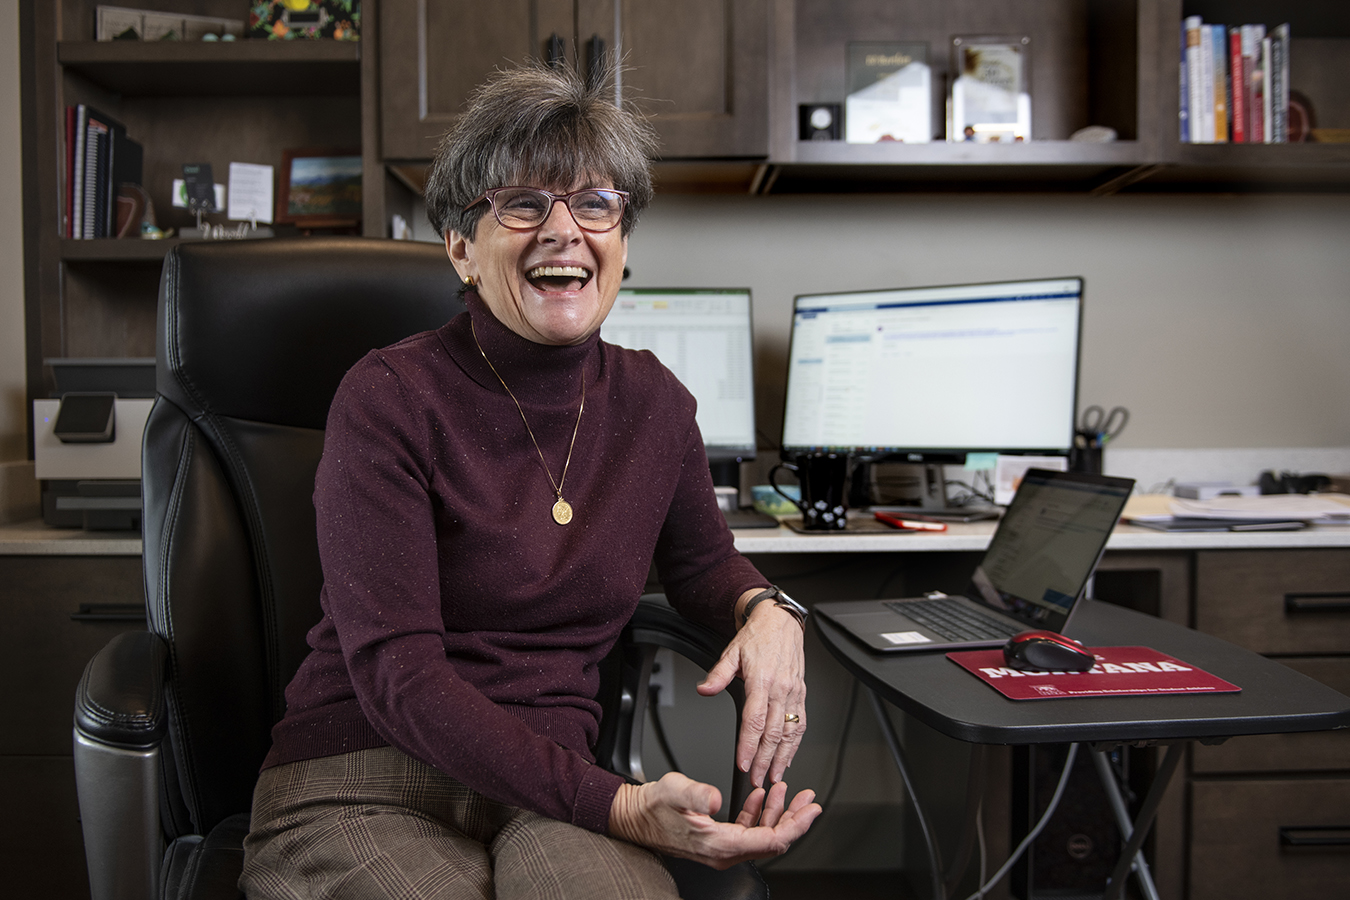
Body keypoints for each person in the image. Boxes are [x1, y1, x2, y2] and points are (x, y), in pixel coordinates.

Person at [240, 62, 820, 900]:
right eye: (522, 203)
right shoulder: (389, 395)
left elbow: (702, 567)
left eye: (595, 203)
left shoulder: (656, 403)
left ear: (621, 243)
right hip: (365, 774)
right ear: (461, 250)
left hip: (550, 787)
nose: (564, 230)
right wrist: (618, 805)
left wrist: (768, 611)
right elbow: (399, 671)